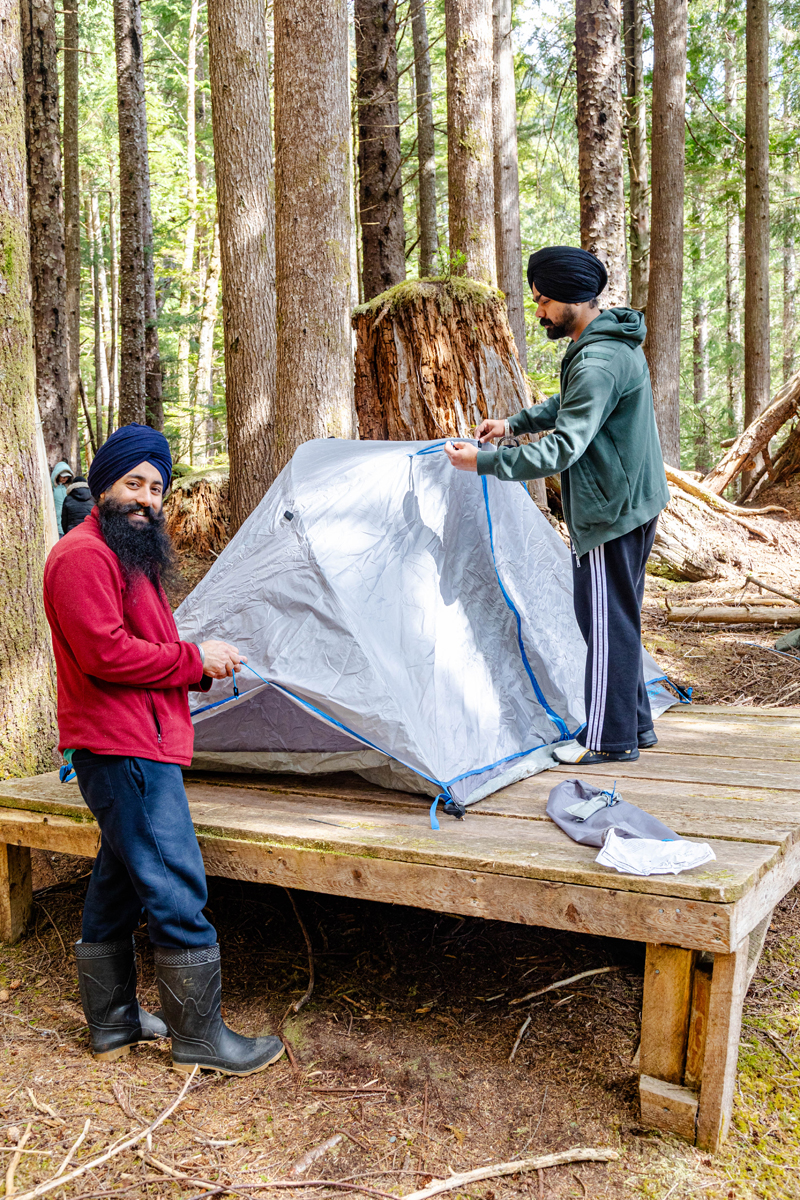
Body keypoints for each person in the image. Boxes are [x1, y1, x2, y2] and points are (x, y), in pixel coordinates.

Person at [43, 423, 284, 1074]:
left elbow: (142, 650)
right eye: (133, 483)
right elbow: (106, 656)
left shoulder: (127, 555)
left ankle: (115, 1021)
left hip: (139, 739)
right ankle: (201, 1039)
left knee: (119, 878)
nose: (146, 498)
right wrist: (192, 657)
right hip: (124, 748)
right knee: (176, 880)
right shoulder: (82, 557)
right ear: (103, 485)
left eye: (156, 486)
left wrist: (196, 667)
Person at [445, 245, 669, 765]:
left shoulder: (596, 359)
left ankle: (606, 741)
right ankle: (633, 724)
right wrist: (514, 424)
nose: (539, 310)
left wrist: (485, 461)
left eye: (544, 300)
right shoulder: (606, 341)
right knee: (616, 617)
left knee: (602, 623)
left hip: (611, 510)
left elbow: (565, 446)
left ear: (571, 298)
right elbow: (569, 406)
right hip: (630, 499)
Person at [51, 461, 74, 537]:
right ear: (57, 476)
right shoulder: (52, 488)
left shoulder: (68, 489)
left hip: (67, 524)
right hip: (54, 523)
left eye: (67, 477)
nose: (65, 479)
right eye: (63, 476)